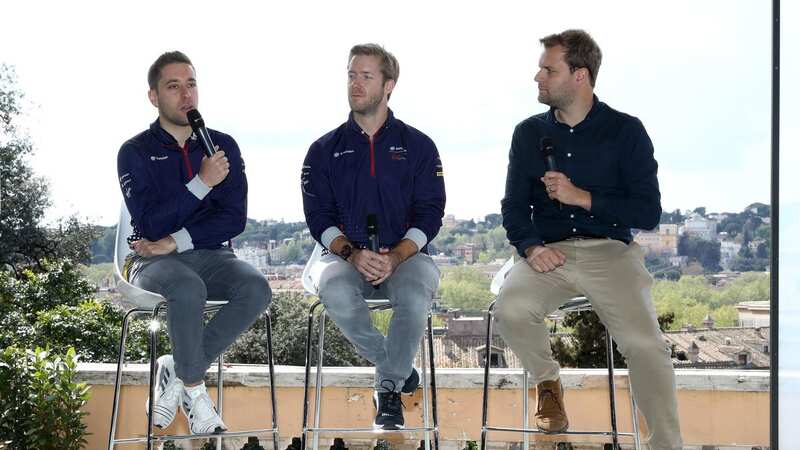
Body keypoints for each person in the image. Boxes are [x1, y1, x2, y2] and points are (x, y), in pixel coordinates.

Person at [495, 30, 682, 449]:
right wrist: (530, 247)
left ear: (580, 75)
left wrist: (582, 197)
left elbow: (648, 213)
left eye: (548, 69)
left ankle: (666, 444)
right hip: (548, 253)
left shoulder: (626, 131)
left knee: (647, 347)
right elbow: (512, 207)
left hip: (611, 252)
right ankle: (547, 384)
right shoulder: (527, 133)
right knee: (510, 309)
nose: (537, 76)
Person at [117, 51, 271, 434]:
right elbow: (148, 223)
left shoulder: (222, 146)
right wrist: (201, 184)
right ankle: (196, 392)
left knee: (257, 288)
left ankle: (179, 368)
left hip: (208, 254)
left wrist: (176, 240)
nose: (186, 95)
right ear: (154, 96)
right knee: (187, 287)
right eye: (173, 87)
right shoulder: (133, 152)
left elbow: (233, 219)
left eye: (191, 84)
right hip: (149, 262)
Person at [301, 43, 445, 430]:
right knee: (331, 286)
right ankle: (396, 372)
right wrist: (352, 254)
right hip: (344, 258)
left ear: (389, 85)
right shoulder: (322, 150)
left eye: (367, 76)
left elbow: (431, 213)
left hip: (408, 257)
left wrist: (396, 256)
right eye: (351, 75)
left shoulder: (420, 146)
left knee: (415, 298)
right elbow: (318, 217)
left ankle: (387, 392)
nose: (356, 84)